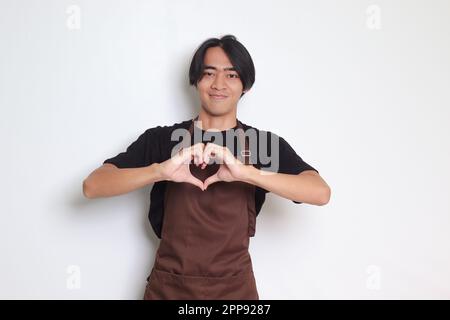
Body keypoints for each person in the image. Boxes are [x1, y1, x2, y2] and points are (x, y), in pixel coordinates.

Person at [82, 34, 331, 300]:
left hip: (235, 292)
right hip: (169, 288)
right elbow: (93, 185)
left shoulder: (262, 144)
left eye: (232, 75)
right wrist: (160, 170)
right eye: (209, 73)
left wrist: (248, 173)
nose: (219, 84)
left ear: (246, 85)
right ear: (196, 80)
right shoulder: (163, 139)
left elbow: (319, 192)